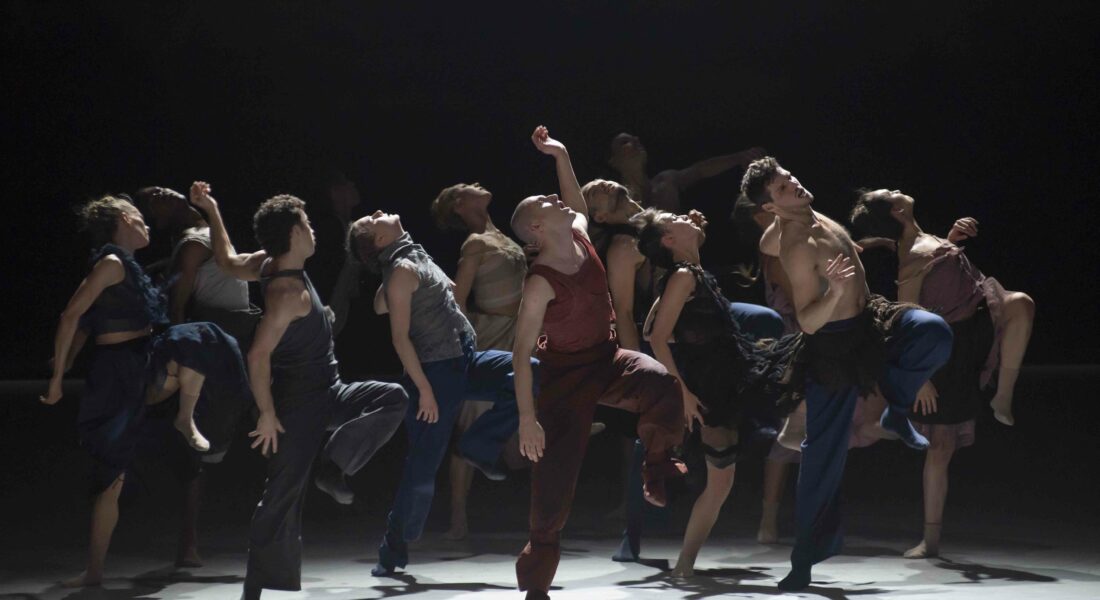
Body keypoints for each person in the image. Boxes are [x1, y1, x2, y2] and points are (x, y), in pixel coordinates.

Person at [187, 182, 408, 598]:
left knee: (392, 397)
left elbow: (226, 260)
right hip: (297, 408)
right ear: (292, 233)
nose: (312, 229)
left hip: (330, 390)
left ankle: (332, 466)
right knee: (281, 499)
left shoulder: (268, 264)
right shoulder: (286, 292)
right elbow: (257, 356)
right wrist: (267, 413)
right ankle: (254, 590)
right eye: (305, 223)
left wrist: (212, 209)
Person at [742, 157, 953, 591]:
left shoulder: (801, 216)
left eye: (790, 177)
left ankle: (896, 408)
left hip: (869, 322)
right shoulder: (797, 245)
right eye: (783, 189)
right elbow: (809, 321)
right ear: (773, 207)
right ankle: (804, 560)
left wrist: (781, 225)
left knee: (932, 331)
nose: (795, 185)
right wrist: (835, 288)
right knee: (822, 455)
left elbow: (766, 242)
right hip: (832, 345)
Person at [510, 126, 686, 600]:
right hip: (564, 380)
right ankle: (536, 587)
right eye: (545, 202)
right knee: (553, 486)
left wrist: (561, 153)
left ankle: (656, 463)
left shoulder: (580, 237)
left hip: (606, 360)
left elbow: (580, 207)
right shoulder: (540, 282)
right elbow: (520, 353)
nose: (556, 199)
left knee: (663, 386)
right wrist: (528, 419)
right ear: (536, 230)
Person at [850, 188, 1034, 557]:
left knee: (1020, 305)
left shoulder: (924, 240)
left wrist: (949, 241)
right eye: (893, 193)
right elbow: (907, 319)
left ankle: (1003, 395)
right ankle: (930, 539)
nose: (900, 190)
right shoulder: (912, 259)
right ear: (899, 211)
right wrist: (922, 377)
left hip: (980, 316)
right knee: (941, 446)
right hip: (949, 346)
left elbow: (942, 270)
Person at [347, 210, 526, 576]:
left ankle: (478, 444)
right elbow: (399, 337)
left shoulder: (410, 257)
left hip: (464, 360)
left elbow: (384, 301)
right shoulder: (401, 271)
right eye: (373, 219)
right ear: (380, 240)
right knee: (422, 470)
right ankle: (392, 552)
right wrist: (426, 390)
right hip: (435, 374)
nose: (379, 212)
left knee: (529, 372)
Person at [634, 208, 792, 577]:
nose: (684, 217)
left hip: (731, 372)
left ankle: (685, 565)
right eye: (674, 220)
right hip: (711, 386)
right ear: (668, 241)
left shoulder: (689, 273)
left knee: (723, 483)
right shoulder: (684, 276)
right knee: (720, 482)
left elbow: (650, 331)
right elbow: (655, 338)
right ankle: (684, 565)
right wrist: (684, 394)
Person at [40, 195, 164, 587]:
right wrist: (58, 378)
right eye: (141, 219)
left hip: (140, 359)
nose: (147, 227)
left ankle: (187, 418)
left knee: (198, 343)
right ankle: (94, 570)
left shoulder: (126, 266)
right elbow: (72, 316)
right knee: (113, 474)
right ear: (125, 219)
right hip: (118, 371)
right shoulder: (111, 264)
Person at [431, 182, 528, 541]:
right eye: (469, 187)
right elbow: (456, 298)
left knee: (518, 443)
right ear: (459, 203)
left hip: (519, 333)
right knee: (471, 421)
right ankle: (458, 519)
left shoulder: (501, 235)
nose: (479, 186)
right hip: (491, 333)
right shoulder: (475, 242)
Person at [608, 132, 764, 212]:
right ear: (613, 161)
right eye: (625, 142)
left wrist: (739, 157)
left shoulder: (665, 180)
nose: (636, 141)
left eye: (636, 139)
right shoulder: (611, 200)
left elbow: (700, 170)